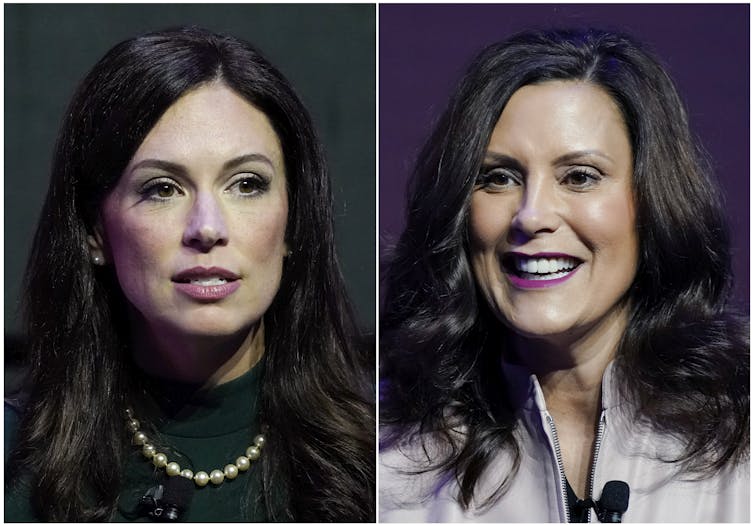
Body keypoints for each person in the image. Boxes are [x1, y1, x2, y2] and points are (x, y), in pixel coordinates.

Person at [5, 26, 374, 522]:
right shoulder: (15, 464)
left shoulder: (386, 462)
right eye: (162, 188)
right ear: (95, 231)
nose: (207, 228)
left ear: (293, 223)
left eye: (246, 184)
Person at [380, 28, 748, 522]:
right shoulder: (379, 443)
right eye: (499, 178)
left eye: (579, 176)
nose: (531, 216)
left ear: (652, 202)